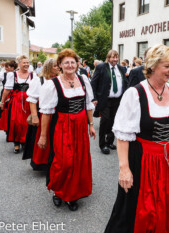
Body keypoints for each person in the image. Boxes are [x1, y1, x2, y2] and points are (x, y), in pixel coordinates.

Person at [105, 44, 169, 233]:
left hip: (168, 160)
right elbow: (123, 135)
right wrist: (124, 169)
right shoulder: (135, 94)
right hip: (142, 159)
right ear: (153, 66)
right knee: (140, 207)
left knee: (166, 202)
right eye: (167, 66)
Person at [38, 49, 96, 211]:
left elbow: (88, 105)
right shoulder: (53, 84)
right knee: (64, 161)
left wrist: (91, 124)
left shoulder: (83, 80)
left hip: (80, 125)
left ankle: (72, 194)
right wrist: (43, 136)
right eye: (66, 63)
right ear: (60, 65)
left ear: (77, 64)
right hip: (63, 126)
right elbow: (46, 112)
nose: (70, 65)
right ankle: (58, 191)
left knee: (79, 161)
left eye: (72, 62)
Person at [22, 58, 60, 170]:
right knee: (44, 137)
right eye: (55, 66)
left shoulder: (59, 79)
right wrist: (34, 116)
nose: (58, 68)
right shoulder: (39, 80)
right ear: (48, 67)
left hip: (57, 113)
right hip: (44, 113)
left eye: (58, 66)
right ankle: (42, 162)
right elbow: (32, 100)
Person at [91, 50, 127, 154]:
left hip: (118, 100)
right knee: (105, 120)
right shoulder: (101, 67)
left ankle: (110, 141)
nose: (115, 59)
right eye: (113, 57)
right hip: (105, 99)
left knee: (114, 121)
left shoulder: (120, 68)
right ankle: (103, 144)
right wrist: (94, 98)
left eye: (116, 57)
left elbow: (124, 82)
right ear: (108, 58)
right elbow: (93, 83)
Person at [0, 56, 34, 153]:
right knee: (16, 122)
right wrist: (2, 102)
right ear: (19, 64)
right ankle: (16, 142)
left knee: (26, 122)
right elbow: (6, 90)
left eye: (28, 62)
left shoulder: (33, 75)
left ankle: (24, 141)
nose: (26, 64)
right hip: (16, 101)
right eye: (24, 62)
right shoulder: (12, 75)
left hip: (28, 101)